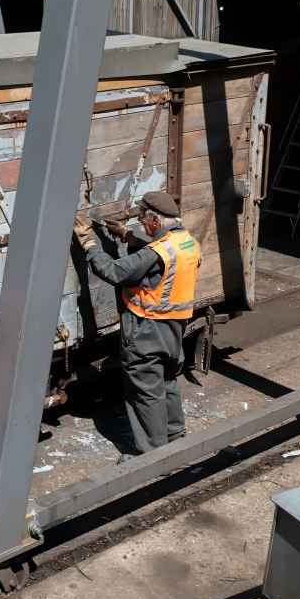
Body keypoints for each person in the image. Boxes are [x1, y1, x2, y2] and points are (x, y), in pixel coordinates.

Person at [73, 191, 201, 457]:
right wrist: (129, 238)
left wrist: (89, 244)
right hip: (174, 329)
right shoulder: (187, 242)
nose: (141, 221)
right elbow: (160, 262)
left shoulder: (156, 252)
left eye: (143, 217)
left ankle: (153, 455)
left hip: (146, 330)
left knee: (145, 392)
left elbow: (115, 272)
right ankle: (176, 439)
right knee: (167, 382)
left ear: (156, 219)